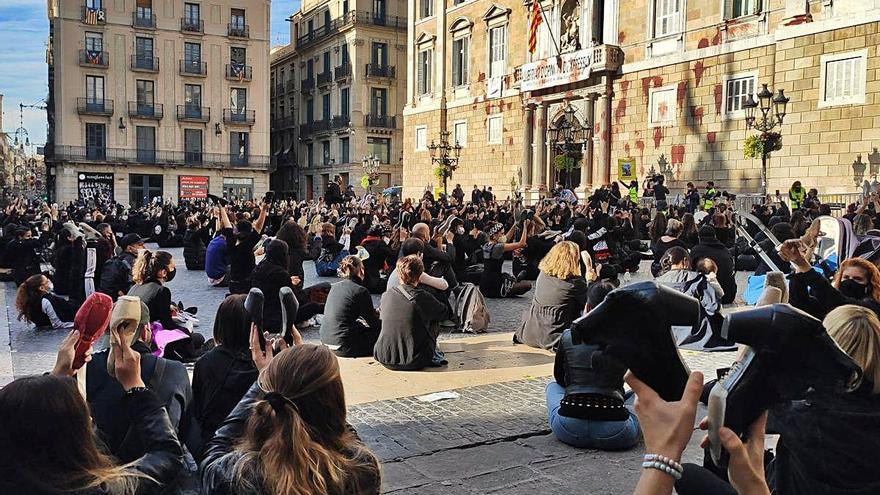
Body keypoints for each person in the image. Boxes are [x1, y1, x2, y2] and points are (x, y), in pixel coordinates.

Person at [0, 328, 184, 494]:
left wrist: (55, 380)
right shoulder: (101, 490)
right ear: (74, 438)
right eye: (84, 416)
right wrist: (136, 387)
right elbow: (168, 455)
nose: (90, 418)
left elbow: (26, 415)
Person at [200, 343, 381, 495]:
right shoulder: (360, 470)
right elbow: (342, 431)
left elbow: (216, 449)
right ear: (334, 401)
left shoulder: (238, 475)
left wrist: (262, 379)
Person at [85, 298, 193, 463]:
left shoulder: (87, 366)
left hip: (100, 467)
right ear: (145, 331)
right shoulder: (174, 370)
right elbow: (183, 432)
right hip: (151, 469)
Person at [546, 282, 642, 450]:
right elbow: (639, 377)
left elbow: (559, 378)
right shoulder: (627, 338)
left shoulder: (569, 335)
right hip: (616, 429)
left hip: (569, 425)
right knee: (641, 394)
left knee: (552, 387)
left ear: (587, 307)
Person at [190, 295, 258, 460]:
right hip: (254, 444)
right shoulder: (264, 364)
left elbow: (197, 409)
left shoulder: (206, 363)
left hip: (213, 445)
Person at [374, 255, 449, 370]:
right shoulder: (421, 296)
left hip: (383, 356)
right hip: (415, 359)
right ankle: (431, 351)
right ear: (420, 276)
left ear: (398, 274)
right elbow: (444, 313)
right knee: (434, 320)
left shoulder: (387, 295)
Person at [128, 250, 205, 361]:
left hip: (133, 334)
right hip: (149, 336)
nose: (173, 268)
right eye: (172, 266)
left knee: (193, 339)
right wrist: (186, 331)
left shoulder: (136, 287)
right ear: (163, 272)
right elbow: (168, 324)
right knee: (196, 338)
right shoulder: (162, 291)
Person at [516, 241, 589, 350]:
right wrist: (590, 275)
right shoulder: (574, 284)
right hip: (553, 337)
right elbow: (592, 302)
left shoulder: (542, 275)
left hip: (530, 332)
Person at [782, 240, 880, 319]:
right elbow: (800, 303)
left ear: (869, 284)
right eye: (845, 277)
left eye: (857, 279)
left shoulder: (872, 307)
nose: (850, 282)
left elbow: (840, 302)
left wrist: (804, 266)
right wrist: (799, 265)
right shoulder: (826, 302)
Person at [320, 256, 382, 358]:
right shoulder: (360, 291)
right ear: (361, 270)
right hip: (345, 346)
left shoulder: (334, 287)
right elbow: (373, 322)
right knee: (382, 332)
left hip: (326, 340)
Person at [250, 239, 294, 334]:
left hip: (260, 316)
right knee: (314, 303)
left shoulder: (258, 268)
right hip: (277, 318)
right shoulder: (281, 274)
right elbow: (294, 300)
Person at [480, 221, 532, 298]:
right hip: (495, 286)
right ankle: (515, 281)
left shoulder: (487, 245)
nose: (503, 235)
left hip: (484, 284)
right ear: (494, 236)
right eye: (502, 233)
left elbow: (506, 239)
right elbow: (522, 243)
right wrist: (525, 226)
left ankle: (515, 281)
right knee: (527, 285)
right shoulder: (498, 247)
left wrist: (514, 225)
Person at [689, 226, 736, 305]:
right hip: (728, 295)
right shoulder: (725, 250)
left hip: (707, 297)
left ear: (699, 237)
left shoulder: (695, 251)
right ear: (715, 236)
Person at [227, 203, 267, 294]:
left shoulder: (231, 242)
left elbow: (227, 226)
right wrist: (264, 210)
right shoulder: (247, 245)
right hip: (246, 285)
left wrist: (221, 207)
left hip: (233, 283)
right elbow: (259, 227)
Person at [98, 233, 145, 300]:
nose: (144, 247)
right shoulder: (132, 262)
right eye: (140, 245)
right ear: (129, 248)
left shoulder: (116, 260)